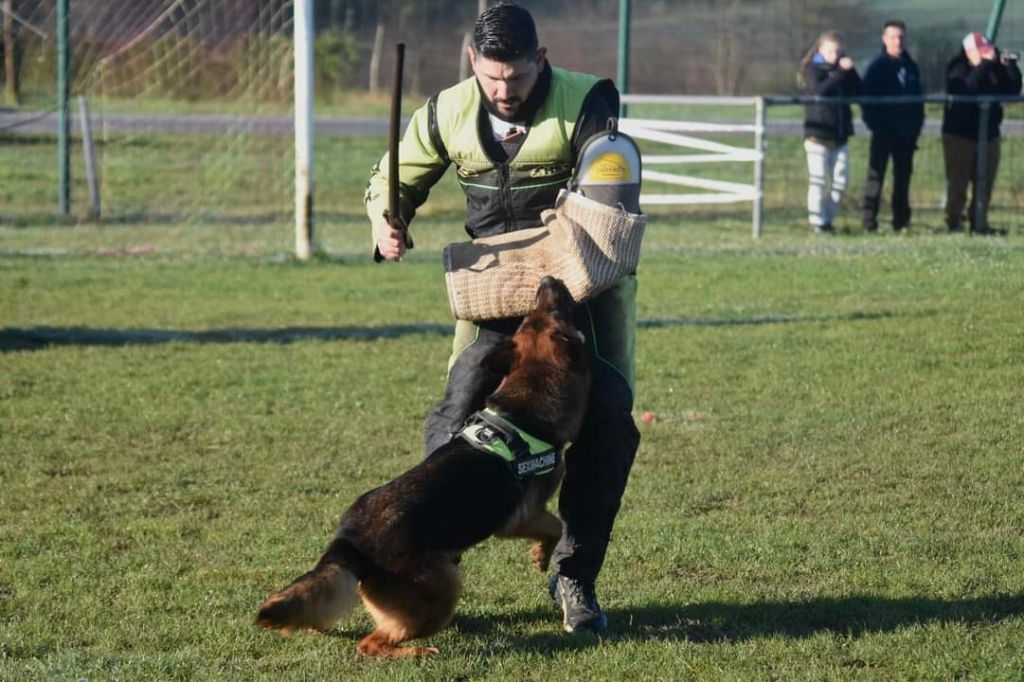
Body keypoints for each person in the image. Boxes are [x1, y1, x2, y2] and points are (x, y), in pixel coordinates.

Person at [364, 2, 639, 634]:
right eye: (491, 77)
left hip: (581, 295)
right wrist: (386, 218)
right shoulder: (444, 112)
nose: (503, 90)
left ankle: (575, 579)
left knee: (608, 426)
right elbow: (393, 177)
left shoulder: (588, 102)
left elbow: (612, 190)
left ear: (539, 60)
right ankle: (427, 560)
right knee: (454, 419)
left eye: (515, 76)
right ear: (473, 63)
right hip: (492, 296)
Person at [941, 32, 1022, 234]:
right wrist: (984, 66)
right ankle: (954, 221)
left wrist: (1010, 67)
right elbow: (967, 88)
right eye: (983, 52)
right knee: (958, 180)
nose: (989, 55)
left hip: (989, 134)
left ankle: (979, 221)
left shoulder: (993, 66)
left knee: (985, 181)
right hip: (960, 135)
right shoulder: (956, 67)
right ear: (970, 52)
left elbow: (1011, 90)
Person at [860, 20, 924, 233]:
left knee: (903, 178)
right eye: (894, 37)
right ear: (884, 39)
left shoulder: (911, 66)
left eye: (901, 37)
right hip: (883, 132)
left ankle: (901, 221)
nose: (898, 41)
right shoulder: (877, 68)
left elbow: (918, 101)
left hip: (906, 133)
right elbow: (867, 101)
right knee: (876, 177)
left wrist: (915, 128)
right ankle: (869, 222)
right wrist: (876, 125)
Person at [799, 30, 863, 234]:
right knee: (818, 180)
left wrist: (850, 71)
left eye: (838, 52)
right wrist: (840, 74)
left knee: (840, 182)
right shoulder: (812, 69)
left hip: (840, 136)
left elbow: (860, 91)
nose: (834, 56)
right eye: (830, 51)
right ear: (820, 50)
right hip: (817, 136)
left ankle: (828, 219)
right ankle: (817, 222)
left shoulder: (842, 71)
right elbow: (819, 91)